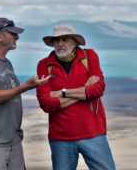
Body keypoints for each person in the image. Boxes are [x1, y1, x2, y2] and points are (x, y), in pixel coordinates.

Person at [0, 17, 50, 170]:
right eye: (12, 33)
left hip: (13, 140)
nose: (17, 37)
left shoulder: (6, 63)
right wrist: (26, 86)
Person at [36, 25, 116, 170]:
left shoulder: (89, 56)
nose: (60, 44)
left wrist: (62, 92)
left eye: (65, 39)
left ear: (75, 42)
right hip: (60, 138)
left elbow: (98, 89)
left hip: (93, 133)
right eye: (56, 40)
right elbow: (46, 103)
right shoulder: (44, 65)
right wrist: (84, 93)